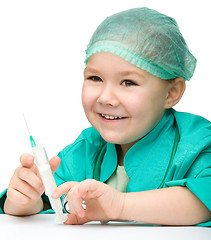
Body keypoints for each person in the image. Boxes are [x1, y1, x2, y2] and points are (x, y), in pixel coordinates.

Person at [1, 7, 211, 226]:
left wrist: (119, 205)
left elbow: (206, 199)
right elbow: (52, 200)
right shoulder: (87, 148)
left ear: (171, 92)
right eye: (95, 78)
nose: (106, 98)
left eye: (128, 82)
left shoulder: (198, 142)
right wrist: (25, 202)